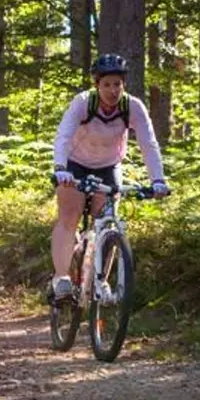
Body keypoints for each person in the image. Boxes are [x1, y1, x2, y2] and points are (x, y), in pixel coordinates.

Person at [51, 53, 170, 300]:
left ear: (123, 85)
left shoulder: (132, 107)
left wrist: (158, 180)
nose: (112, 90)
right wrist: (60, 168)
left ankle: (100, 279)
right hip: (75, 164)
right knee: (69, 216)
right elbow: (63, 136)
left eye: (117, 84)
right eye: (107, 84)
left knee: (107, 222)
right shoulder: (83, 102)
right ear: (97, 85)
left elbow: (149, 144)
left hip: (108, 165)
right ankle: (61, 278)